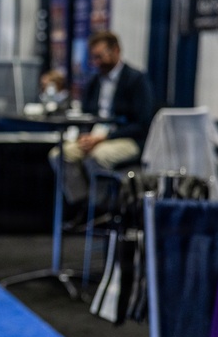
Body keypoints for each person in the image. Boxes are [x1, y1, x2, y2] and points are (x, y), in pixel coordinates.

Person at [53, 30, 154, 208]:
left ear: (116, 51)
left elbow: (142, 123)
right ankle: (82, 204)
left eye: (99, 57)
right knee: (60, 154)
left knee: (97, 157)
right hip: (95, 136)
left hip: (126, 138)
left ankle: (101, 208)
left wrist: (104, 138)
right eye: (93, 58)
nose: (96, 62)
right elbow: (86, 115)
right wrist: (85, 136)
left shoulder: (136, 80)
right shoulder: (94, 82)